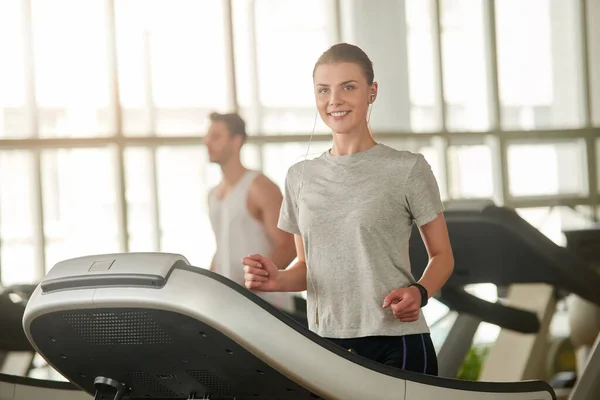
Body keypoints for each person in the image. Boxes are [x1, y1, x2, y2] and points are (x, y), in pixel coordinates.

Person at [241, 43, 454, 375]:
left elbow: (442, 256)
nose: (334, 100)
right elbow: (308, 266)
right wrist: (276, 280)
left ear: (372, 92)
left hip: (395, 343)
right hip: (326, 343)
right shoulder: (299, 177)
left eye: (348, 87)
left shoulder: (408, 169)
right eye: (323, 90)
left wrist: (420, 292)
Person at [204, 112, 297, 310]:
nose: (207, 142)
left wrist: (254, 284)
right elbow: (224, 247)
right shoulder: (213, 195)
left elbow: (288, 245)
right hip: (230, 305)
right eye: (207, 136)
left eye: (216, 137)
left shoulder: (259, 186)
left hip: (266, 305)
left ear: (236, 141)